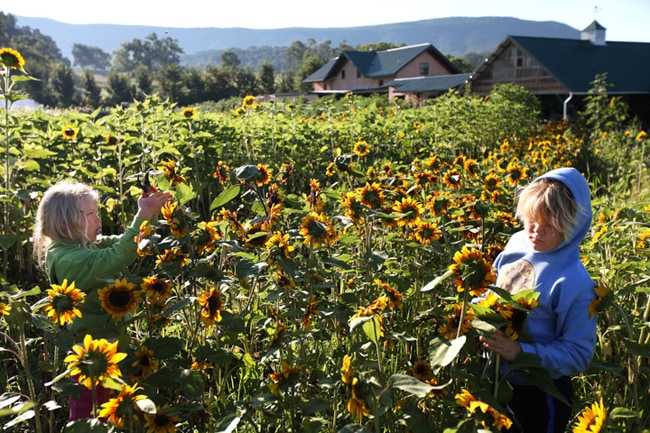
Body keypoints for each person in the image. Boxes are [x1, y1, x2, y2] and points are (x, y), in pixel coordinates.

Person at [32, 180, 172, 420]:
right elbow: (117, 256)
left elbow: (120, 244)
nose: (98, 219)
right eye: (90, 214)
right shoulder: (68, 259)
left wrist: (147, 217)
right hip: (92, 358)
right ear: (65, 223)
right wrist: (141, 215)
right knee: (90, 414)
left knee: (112, 412)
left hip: (107, 351)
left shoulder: (79, 247)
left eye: (96, 212)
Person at [479, 167, 597, 433]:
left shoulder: (574, 281)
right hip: (497, 376)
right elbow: (495, 287)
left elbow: (578, 354)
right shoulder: (516, 243)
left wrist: (522, 353)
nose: (536, 232)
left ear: (572, 226)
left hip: (541, 390)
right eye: (532, 220)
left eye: (550, 226)